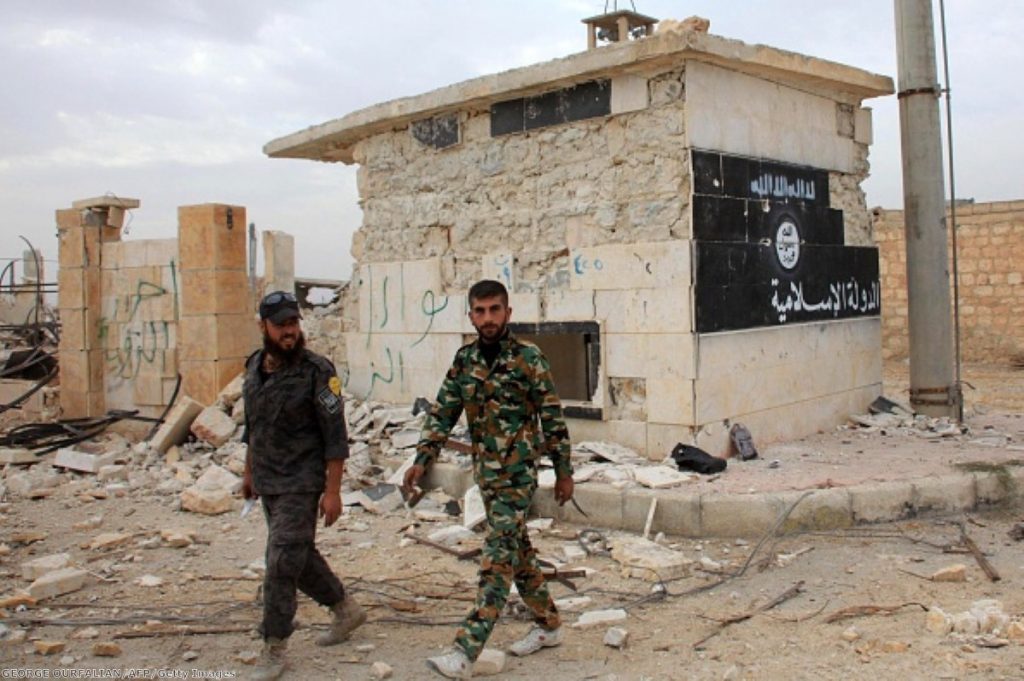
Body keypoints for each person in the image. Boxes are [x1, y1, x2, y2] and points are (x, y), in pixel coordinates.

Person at [403, 279, 575, 679]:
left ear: (508, 313)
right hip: (487, 476)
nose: (488, 318)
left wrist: (564, 471)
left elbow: (552, 418)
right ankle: (549, 626)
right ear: (471, 317)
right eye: (480, 312)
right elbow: (443, 412)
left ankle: (465, 651)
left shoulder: (529, 358)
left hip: (517, 477)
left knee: (496, 560)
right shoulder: (465, 361)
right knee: (517, 555)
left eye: (495, 310)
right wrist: (422, 459)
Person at [242, 290, 366, 681]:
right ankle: (346, 609)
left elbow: (336, 436)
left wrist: (332, 491)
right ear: (264, 327)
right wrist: (249, 472)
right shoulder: (253, 367)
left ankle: (273, 645)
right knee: (297, 555)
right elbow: (254, 426)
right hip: (268, 480)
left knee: (280, 561)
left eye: (294, 323)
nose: (290, 332)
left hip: (302, 481)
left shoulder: (318, 371)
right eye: (281, 325)